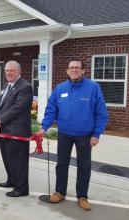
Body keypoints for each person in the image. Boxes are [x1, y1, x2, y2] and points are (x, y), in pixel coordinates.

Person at [36, 59, 108, 211]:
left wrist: (96, 134)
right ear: (67, 71)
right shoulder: (60, 88)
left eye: (77, 68)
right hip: (64, 134)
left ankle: (82, 196)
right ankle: (60, 192)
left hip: (85, 135)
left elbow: (101, 113)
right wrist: (44, 128)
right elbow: (51, 110)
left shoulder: (93, 88)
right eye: (71, 68)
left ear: (83, 70)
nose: (74, 70)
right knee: (61, 164)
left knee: (84, 166)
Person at [0, 61, 33, 197]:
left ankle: (21, 189)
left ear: (19, 72)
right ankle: (11, 180)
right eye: (6, 71)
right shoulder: (7, 85)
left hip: (17, 131)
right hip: (4, 130)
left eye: (11, 70)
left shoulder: (25, 87)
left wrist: (1, 119)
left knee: (18, 161)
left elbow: (18, 108)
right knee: (8, 158)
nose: (8, 73)